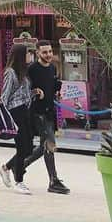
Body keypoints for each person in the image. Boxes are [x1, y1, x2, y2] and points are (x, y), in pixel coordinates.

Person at [25, 42, 70, 194]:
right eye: (44, 52)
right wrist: (34, 92)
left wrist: (57, 92)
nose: (48, 54)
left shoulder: (52, 68)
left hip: (49, 111)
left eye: (50, 51)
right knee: (50, 144)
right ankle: (53, 180)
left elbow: (53, 85)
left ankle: (15, 167)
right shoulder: (32, 70)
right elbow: (24, 91)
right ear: (37, 53)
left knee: (42, 148)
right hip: (38, 113)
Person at [0, 43, 34, 194]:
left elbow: (23, 93)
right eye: (27, 53)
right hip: (15, 112)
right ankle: (19, 180)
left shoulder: (24, 73)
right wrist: (3, 115)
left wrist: (33, 93)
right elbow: (5, 95)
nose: (30, 56)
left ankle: (6, 167)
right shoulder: (10, 73)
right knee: (21, 145)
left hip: (25, 110)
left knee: (29, 147)